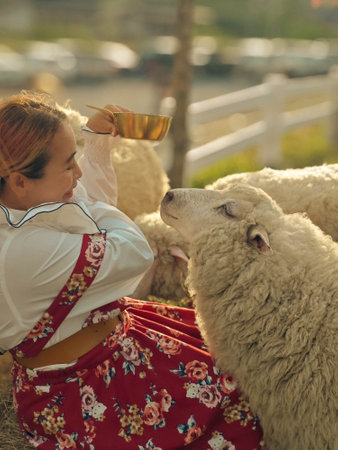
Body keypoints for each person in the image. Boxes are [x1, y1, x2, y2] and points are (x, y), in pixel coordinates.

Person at [0, 91, 264, 449]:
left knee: (242, 360)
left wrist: (94, 145)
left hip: (117, 344)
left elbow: (89, 208)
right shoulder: (21, 251)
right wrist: (82, 198)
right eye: (68, 165)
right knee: (243, 407)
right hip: (86, 385)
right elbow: (135, 250)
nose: (77, 174)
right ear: (19, 181)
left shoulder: (23, 214)